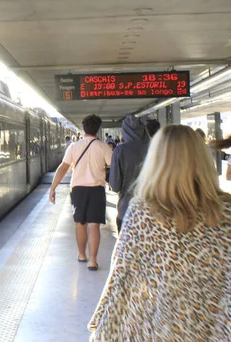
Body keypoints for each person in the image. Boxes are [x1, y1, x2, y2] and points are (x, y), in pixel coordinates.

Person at [88, 125, 231, 341]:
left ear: (155, 161)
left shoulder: (142, 212)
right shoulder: (226, 213)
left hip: (158, 328)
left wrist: (102, 329)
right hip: (213, 329)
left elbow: (122, 275)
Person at [49, 114, 112, 271]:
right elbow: (112, 167)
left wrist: (53, 187)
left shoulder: (74, 147)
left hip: (78, 190)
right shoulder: (104, 147)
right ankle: (93, 261)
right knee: (94, 225)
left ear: (84, 128)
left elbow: (63, 168)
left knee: (80, 223)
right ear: (98, 129)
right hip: (97, 189)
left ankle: (82, 254)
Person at [109, 115, 150, 233]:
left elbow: (115, 186)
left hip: (126, 210)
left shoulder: (120, 150)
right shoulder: (154, 148)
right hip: (153, 213)